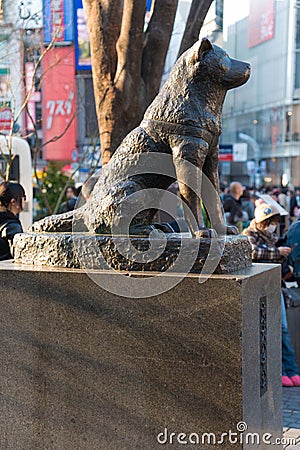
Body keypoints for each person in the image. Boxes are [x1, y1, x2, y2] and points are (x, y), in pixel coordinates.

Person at [243, 202, 300, 387]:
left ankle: (292, 370)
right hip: (259, 291)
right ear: (263, 222)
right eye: (271, 222)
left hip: (276, 286)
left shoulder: (272, 237)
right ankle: (280, 372)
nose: (273, 226)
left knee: (282, 329)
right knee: (271, 331)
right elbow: (253, 252)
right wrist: (277, 252)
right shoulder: (249, 234)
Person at [0, 181, 25, 260]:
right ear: (13, 201)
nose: (24, 201)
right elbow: (18, 256)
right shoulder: (13, 227)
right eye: (24, 197)